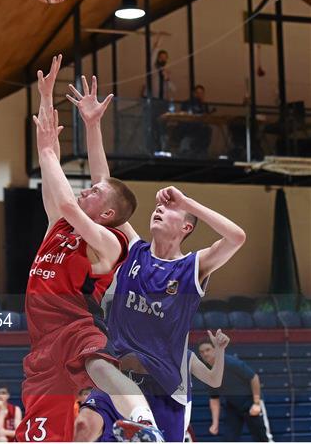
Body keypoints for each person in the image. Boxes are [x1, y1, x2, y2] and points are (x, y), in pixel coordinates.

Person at [67, 76, 246, 441]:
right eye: (160, 206)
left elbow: (236, 237)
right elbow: (105, 185)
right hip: (119, 379)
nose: (160, 210)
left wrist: (188, 202)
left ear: (186, 228)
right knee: (83, 425)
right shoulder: (134, 250)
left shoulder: (191, 267)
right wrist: (92, 124)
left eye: (170, 209)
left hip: (165, 389)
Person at [15, 55, 163, 443]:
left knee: (97, 362)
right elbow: (94, 183)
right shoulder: (62, 224)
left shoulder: (111, 239)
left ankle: (146, 426)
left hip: (79, 322)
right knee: (41, 432)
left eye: (95, 194)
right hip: (42, 340)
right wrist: (49, 99)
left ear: (109, 213)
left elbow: (85, 189)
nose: (87, 188)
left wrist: (49, 150)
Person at [74, 330, 230, 441]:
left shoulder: (186, 356)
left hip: (165, 402)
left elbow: (214, 380)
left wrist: (220, 351)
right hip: (124, 388)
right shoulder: (126, 341)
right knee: (84, 425)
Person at [198, 339, 274, 442]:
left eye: (208, 350)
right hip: (232, 406)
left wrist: (256, 403)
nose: (205, 354)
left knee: (262, 438)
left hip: (250, 402)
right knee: (229, 439)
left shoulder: (230, 362)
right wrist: (215, 423)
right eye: (202, 352)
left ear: (215, 350)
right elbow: (214, 398)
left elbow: (254, 378)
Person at [178, 84, 213, 157]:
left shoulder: (204, 105)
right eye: (198, 93)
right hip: (188, 127)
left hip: (201, 129)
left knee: (208, 130)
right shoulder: (186, 103)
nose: (200, 95)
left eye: (202, 93)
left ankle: (202, 151)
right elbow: (182, 116)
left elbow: (206, 117)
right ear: (194, 94)